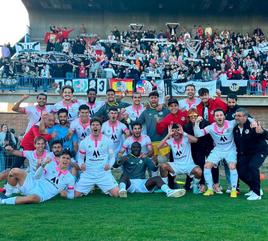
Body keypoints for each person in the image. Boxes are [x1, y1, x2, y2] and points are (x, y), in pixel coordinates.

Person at [0, 150, 75, 205]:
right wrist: (44, 164)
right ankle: (8, 194)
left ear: (70, 160)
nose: (65, 160)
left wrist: (65, 194)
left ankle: (3, 201)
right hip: (33, 183)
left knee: (34, 198)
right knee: (14, 171)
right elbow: (36, 176)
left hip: (41, 194)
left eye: (68, 158)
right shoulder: (51, 165)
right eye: (63, 157)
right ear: (59, 159)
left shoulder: (70, 178)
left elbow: (71, 195)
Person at [114, 142, 186, 198]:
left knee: (157, 178)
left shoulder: (145, 158)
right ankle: (122, 191)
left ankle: (169, 191)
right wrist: (120, 161)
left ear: (140, 148)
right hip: (130, 184)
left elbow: (154, 169)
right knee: (124, 175)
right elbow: (115, 166)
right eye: (134, 147)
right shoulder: (126, 157)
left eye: (138, 147)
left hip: (143, 183)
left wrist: (155, 161)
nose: (136, 149)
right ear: (131, 149)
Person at [194, 109, 239, 198]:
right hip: (218, 150)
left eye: (221, 115)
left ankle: (234, 190)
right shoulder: (211, 127)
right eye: (217, 116)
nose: (219, 117)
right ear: (214, 118)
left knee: (232, 166)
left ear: (224, 116)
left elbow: (244, 118)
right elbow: (198, 134)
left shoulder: (231, 123)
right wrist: (196, 123)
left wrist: (253, 122)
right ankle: (210, 189)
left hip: (230, 150)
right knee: (207, 166)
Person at [75, 118, 119, 197]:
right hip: (88, 173)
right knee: (75, 195)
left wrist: (109, 165)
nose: (95, 127)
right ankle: (88, 188)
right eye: (93, 125)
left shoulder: (108, 141)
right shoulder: (84, 142)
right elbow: (80, 158)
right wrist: (81, 165)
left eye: (97, 125)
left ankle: (105, 189)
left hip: (103, 173)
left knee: (117, 194)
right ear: (90, 127)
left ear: (101, 127)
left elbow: (112, 157)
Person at [234, 108, 268, 200]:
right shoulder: (236, 129)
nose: (237, 118)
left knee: (253, 166)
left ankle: (257, 194)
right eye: (236, 116)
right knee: (240, 172)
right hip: (247, 153)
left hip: (260, 150)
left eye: (239, 116)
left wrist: (261, 131)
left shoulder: (253, 124)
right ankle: (254, 188)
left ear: (245, 117)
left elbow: (265, 135)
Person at [183, 108, 220, 193]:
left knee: (213, 165)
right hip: (196, 148)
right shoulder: (187, 126)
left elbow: (212, 134)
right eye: (191, 116)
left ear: (198, 115)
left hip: (208, 145)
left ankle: (216, 185)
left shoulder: (205, 123)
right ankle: (202, 184)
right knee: (201, 165)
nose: (193, 117)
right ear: (188, 117)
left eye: (195, 115)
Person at [158, 124, 202, 194]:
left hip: (188, 165)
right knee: (163, 166)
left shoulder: (186, 139)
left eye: (178, 130)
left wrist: (184, 133)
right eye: (173, 131)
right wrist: (168, 135)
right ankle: (165, 187)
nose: (176, 132)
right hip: (177, 166)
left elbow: (196, 140)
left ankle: (195, 186)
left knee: (199, 171)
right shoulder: (171, 140)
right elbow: (159, 147)